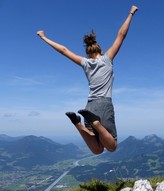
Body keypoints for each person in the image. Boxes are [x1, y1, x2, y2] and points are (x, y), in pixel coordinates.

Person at [37, 5, 138, 154]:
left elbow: (63, 50)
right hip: (104, 104)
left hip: (89, 105)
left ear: (88, 53)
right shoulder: (107, 59)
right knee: (112, 146)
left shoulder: (84, 63)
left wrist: (43, 37)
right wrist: (131, 13)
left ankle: (77, 122)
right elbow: (121, 34)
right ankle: (95, 123)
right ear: (101, 50)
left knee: (97, 149)